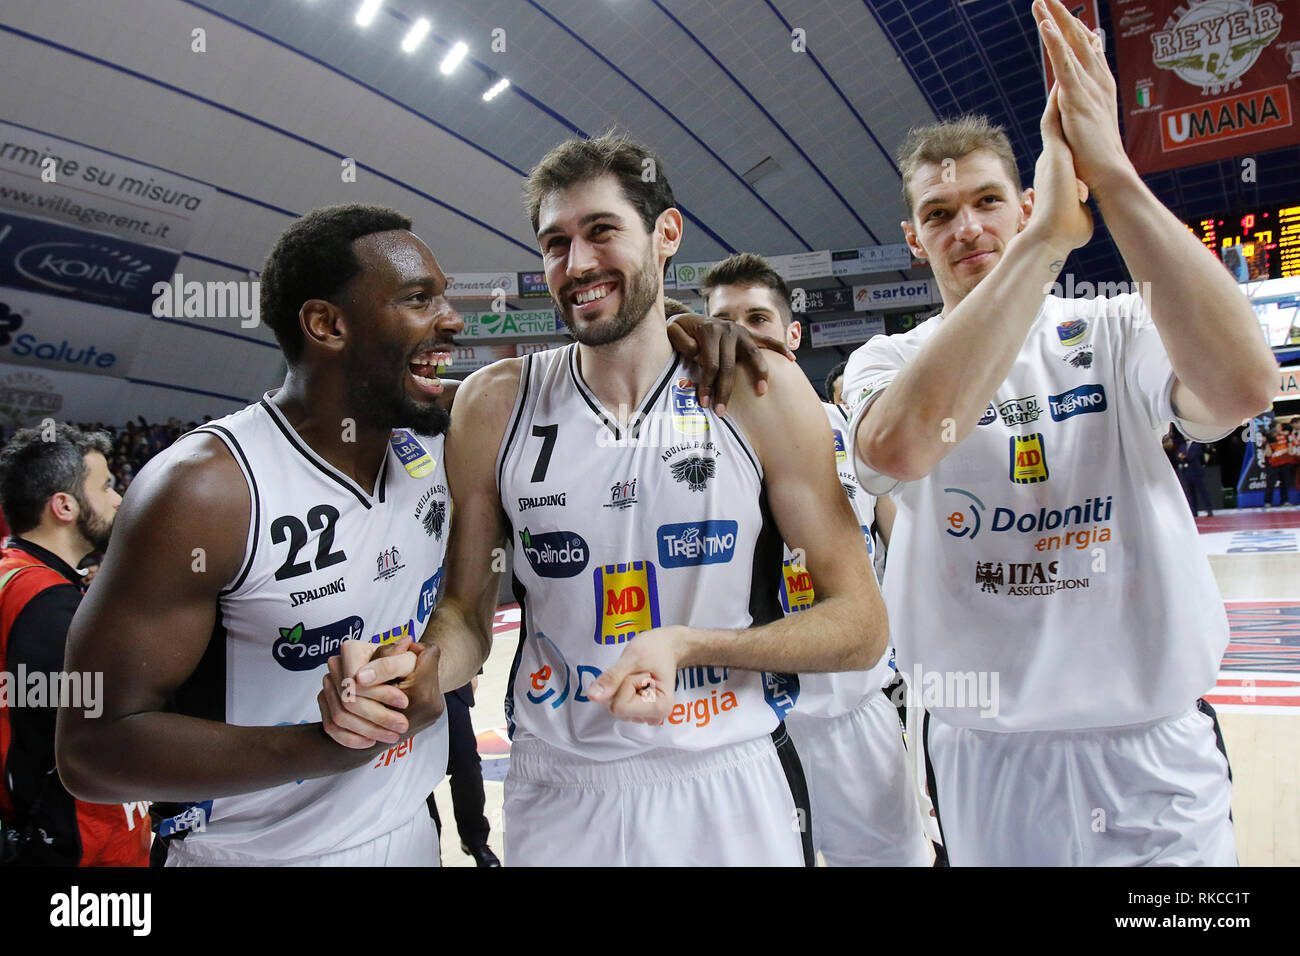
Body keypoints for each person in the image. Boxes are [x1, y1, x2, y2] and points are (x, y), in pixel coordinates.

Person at [321, 131, 889, 867]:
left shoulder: (758, 392)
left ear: (666, 234)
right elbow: (465, 614)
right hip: (561, 789)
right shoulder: (496, 404)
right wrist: (418, 670)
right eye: (555, 243)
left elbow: (861, 625)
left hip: (728, 776)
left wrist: (694, 646)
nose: (577, 264)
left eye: (601, 231)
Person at [843, 0, 1276, 865]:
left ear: (1029, 200)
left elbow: (1244, 385)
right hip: (989, 753)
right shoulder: (885, 359)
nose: (966, 228)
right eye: (938, 214)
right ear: (912, 238)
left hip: (1152, 749)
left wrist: (1111, 173)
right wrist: (1044, 245)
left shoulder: (1114, 326)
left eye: (987, 202)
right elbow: (901, 447)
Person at [58, 204, 459, 866]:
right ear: (327, 324)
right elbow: (92, 751)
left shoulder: (430, 452)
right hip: (255, 855)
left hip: (408, 833)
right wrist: (334, 742)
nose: (450, 318)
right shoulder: (205, 490)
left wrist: (681, 331)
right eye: (419, 298)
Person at [703, 252, 930, 866]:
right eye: (722, 321)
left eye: (757, 317)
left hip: (854, 714)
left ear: (793, 333)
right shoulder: (683, 447)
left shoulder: (852, 432)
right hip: (742, 725)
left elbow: (906, 549)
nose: (741, 336)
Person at [0, 423, 146, 865]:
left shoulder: (17, 572)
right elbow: (110, 720)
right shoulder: (50, 606)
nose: (118, 498)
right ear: (64, 506)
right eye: (105, 486)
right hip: (76, 835)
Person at [427, 678, 501, 867]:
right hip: (401, 686)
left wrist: (474, 669)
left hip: (449, 679)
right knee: (419, 783)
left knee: (467, 765)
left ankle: (475, 840)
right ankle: (431, 853)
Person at [1175, 433, 1213, 517]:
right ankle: (1194, 510)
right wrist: (1182, 457)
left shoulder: (1196, 445)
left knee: (1202, 491)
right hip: (1187, 472)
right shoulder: (1183, 446)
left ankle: (1209, 509)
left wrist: (1183, 457)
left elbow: (1191, 456)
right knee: (1191, 493)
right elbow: (1179, 455)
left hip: (1195, 472)